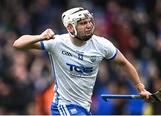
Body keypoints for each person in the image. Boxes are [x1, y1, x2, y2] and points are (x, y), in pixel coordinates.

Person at [13, 7, 151, 115]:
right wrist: (40, 36)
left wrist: (140, 87)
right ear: (70, 28)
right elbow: (18, 44)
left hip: (84, 108)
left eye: (90, 21)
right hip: (63, 107)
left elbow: (124, 63)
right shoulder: (57, 43)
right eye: (83, 23)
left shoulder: (102, 45)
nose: (89, 25)